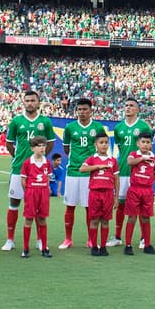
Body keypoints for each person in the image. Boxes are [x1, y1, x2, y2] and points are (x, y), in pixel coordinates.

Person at [3, 90, 56, 252]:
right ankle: (10, 240)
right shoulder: (16, 121)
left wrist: (40, 157)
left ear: (38, 103)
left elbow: (51, 143)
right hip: (19, 169)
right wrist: (20, 157)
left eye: (33, 100)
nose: (30, 103)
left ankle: (40, 240)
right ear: (23, 103)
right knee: (14, 203)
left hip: (38, 171)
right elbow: (9, 144)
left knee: (39, 207)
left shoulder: (45, 122)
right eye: (27, 100)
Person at [61, 97, 109, 250]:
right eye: (79, 110)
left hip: (90, 173)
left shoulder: (98, 127)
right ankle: (68, 239)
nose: (82, 112)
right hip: (73, 172)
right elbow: (67, 148)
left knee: (90, 207)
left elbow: (102, 147)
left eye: (85, 109)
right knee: (70, 206)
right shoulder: (69, 127)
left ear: (91, 111)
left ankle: (90, 238)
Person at [108, 98, 152, 247]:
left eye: (131, 106)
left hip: (139, 171)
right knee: (120, 204)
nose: (128, 108)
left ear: (138, 109)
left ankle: (142, 238)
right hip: (123, 169)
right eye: (126, 105)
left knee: (139, 205)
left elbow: (148, 148)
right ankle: (118, 237)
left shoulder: (143, 126)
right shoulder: (118, 127)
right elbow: (120, 149)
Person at [80, 132, 118, 256]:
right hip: (95, 193)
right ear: (96, 144)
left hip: (108, 194)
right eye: (101, 143)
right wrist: (97, 167)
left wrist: (116, 197)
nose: (104, 145)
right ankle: (94, 246)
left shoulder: (112, 160)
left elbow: (116, 179)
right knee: (94, 220)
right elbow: (82, 169)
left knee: (106, 221)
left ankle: (103, 247)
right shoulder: (92, 159)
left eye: (106, 142)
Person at [122, 132, 155, 255]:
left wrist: (148, 179)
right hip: (135, 190)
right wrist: (143, 158)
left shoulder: (154, 158)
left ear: (151, 144)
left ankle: (147, 244)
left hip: (147, 191)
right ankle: (128, 245)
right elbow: (129, 162)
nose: (145, 144)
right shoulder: (134, 155)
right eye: (143, 142)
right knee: (132, 217)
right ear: (138, 143)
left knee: (145, 217)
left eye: (148, 142)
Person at [20, 136, 53, 258]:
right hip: (32, 192)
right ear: (32, 148)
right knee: (29, 219)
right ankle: (25, 248)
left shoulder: (47, 162)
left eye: (43, 145)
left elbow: (48, 177)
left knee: (42, 219)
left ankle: (44, 247)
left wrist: (46, 187)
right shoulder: (28, 162)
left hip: (43, 191)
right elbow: (23, 179)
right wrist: (27, 192)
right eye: (39, 146)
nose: (42, 148)